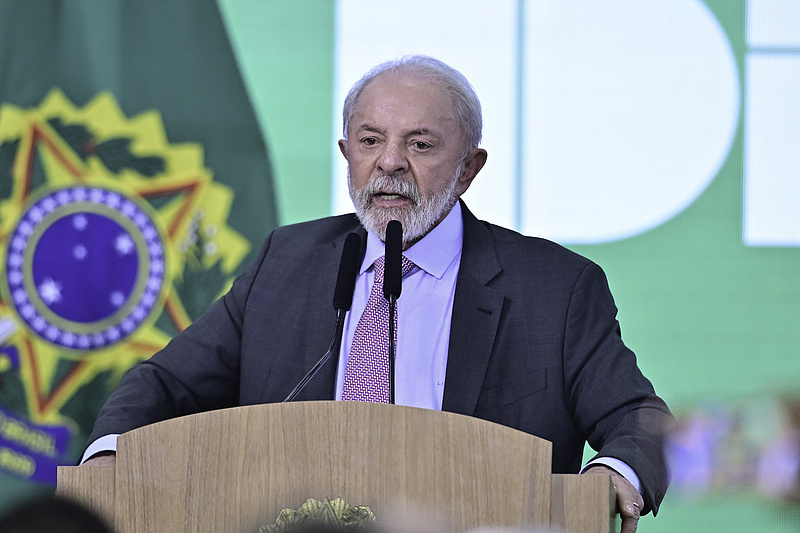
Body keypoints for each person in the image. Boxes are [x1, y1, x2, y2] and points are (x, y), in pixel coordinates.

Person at [82, 55, 672, 533]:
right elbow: (165, 384)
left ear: (469, 168)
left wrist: (614, 474)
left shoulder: (554, 287)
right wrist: (108, 457)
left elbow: (640, 419)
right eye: (369, 141)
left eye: (420, 145)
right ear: (346, 155)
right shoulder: (286, 262)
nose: (389, 163)